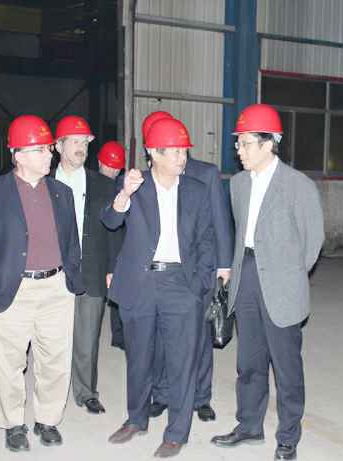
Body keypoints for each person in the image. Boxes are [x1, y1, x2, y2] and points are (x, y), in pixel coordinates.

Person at [210, 104, 324, 461]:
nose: (238, 151)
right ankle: (249, 425)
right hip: (246, 275)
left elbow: (313, 241)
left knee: (286, 367)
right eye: (238, 143)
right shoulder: (239, 184)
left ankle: (288, 437)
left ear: (268, 144)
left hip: (282, 282)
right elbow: (240, 231)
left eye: (245, 143)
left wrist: (290, 276)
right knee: (249, 361)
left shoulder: (298, 185)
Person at [0, 114, 84, 452]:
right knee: (8, 363)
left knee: (55, 360)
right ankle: (13, 424)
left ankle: (47, 419)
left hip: (56, 288)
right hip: (12, 287)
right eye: (40, 150)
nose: (49, 155)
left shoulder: (62, 193)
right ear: (18, 155)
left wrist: (69, 277)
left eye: (48, 149)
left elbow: (72, 244)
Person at [103, 117, 216, 458]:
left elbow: (207, 241)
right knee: (139, 358)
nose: (182, 158)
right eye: (175, 152)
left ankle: (176, 433)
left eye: (184, 151)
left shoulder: (197, 190)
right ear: (153, 152)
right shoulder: (134, 185)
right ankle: (136, 419)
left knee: (182, 362)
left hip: (181, 285)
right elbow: (110, 220)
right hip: (140, 283)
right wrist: (124, 194)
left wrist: (199, 286)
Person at [142, 112, 234, 423]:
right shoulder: (148, 178)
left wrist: (223, 265)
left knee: (199, 337)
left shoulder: (205, 174)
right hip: (161, 274)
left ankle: (201, 397)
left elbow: (220, 221)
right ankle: (162, 394)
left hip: (198, 271)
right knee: (161, 338)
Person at [52, 115, 121, 414]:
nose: (81, 147)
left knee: (88, 335)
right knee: (51, 337)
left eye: (85, 142)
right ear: (58, 146)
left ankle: (86, 391)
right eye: (75, 142)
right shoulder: (44, 183)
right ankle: (52, 393)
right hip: (52, 271)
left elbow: (114, 230)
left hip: (91, 268)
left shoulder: (102, 185)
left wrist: (112, 268)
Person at [95, 140, 127, 349]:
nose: (112, 171)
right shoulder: (119, 187)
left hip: (105, 244)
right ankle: (119, 334)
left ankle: (118, 334)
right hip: (111, 245)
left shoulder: (93, 184)